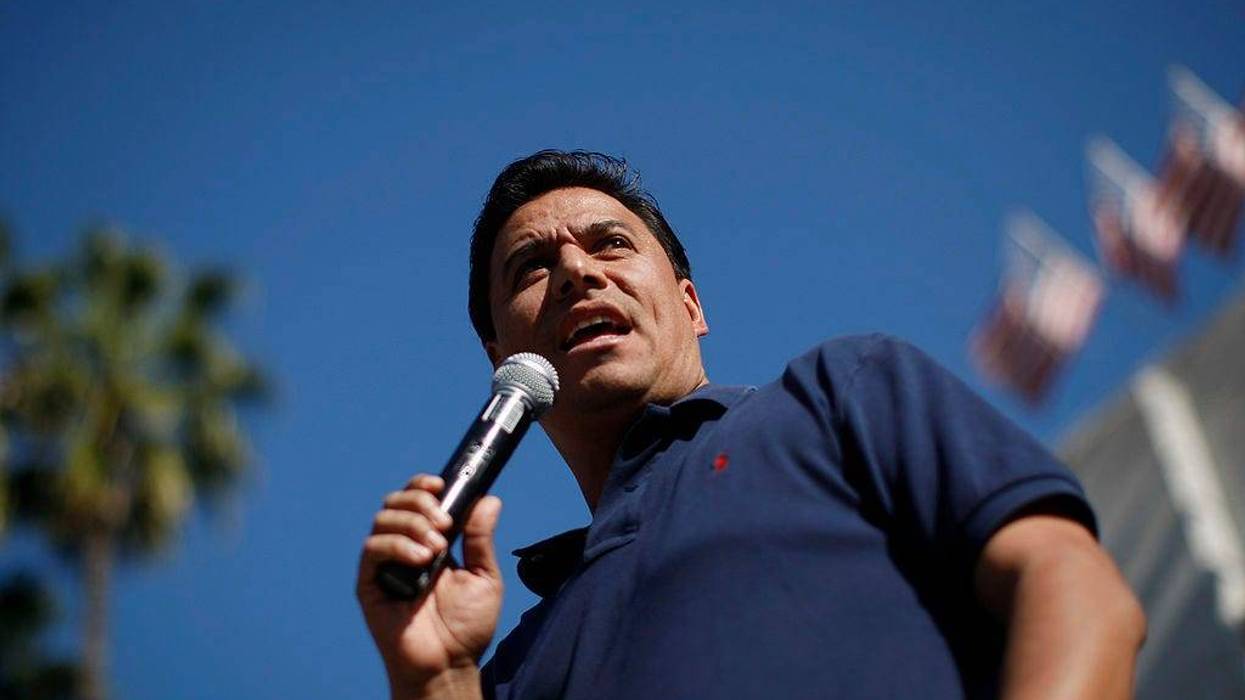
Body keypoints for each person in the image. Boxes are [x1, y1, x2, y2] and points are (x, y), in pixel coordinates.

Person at [356, 151, 1146, 699]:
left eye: (611, 244)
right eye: (532, 267)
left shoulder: (841, 394)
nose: (574, 271)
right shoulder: (514, 655)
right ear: (497, 353)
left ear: (690, 305)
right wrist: (437, 682)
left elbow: (1073, 591)